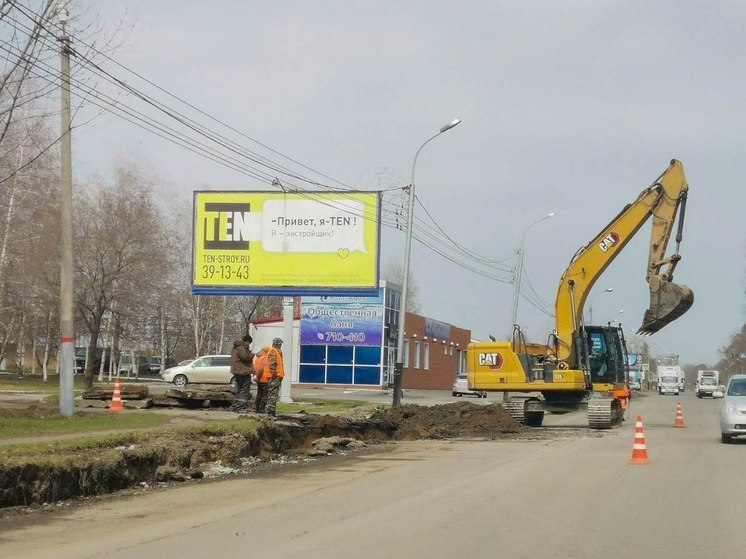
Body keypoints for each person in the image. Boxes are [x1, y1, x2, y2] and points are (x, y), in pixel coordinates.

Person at [230, 334, 255, 413]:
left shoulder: (236, 347)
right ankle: (240, 408)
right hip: (242, 371)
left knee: (239, 389)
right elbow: (245, 357)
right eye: (249, 343)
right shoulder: (240, 348)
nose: (249, 345)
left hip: (238, 371)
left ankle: (236, 406)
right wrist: (252, 354)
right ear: (246, 341)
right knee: (244, 390)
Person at [264, 337, 285, 417]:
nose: (281, 345)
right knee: (272, 395)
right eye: (280, 344)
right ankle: (270, 412)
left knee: (273, 395)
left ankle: (271, 411)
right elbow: (272, 364)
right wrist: (274, 374)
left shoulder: (276, 351)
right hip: (274, 377)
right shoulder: (273, 351)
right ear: (277, 344)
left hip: (276, 377)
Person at [252, 346, 271, 413]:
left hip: (259, 380)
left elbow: (255, 368)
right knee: (264, 395)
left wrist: (256, 376)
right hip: (264, 379)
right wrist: (257, 375)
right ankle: (262, 409)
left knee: (259, 394)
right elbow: (261, 369)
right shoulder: (265, 358)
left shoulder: (258, 358)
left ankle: (257, 408)